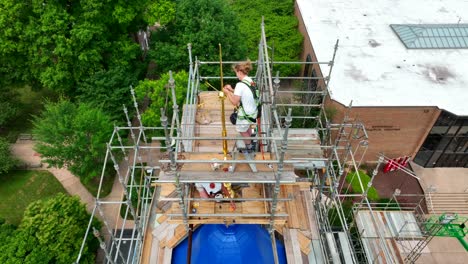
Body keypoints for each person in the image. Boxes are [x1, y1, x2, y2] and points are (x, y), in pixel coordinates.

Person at [223, 60, 257, 151]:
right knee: (248, 126)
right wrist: (231, 90)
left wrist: (227, 93)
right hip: (253, 111)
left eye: (236, 72)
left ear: (239, 71)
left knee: (242, 130)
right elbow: (244, 93)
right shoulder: (250, 81)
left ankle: (249, 147)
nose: (236, 75)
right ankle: (250, 140)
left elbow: (234, 102)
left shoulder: (240, 84)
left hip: (245, 113)